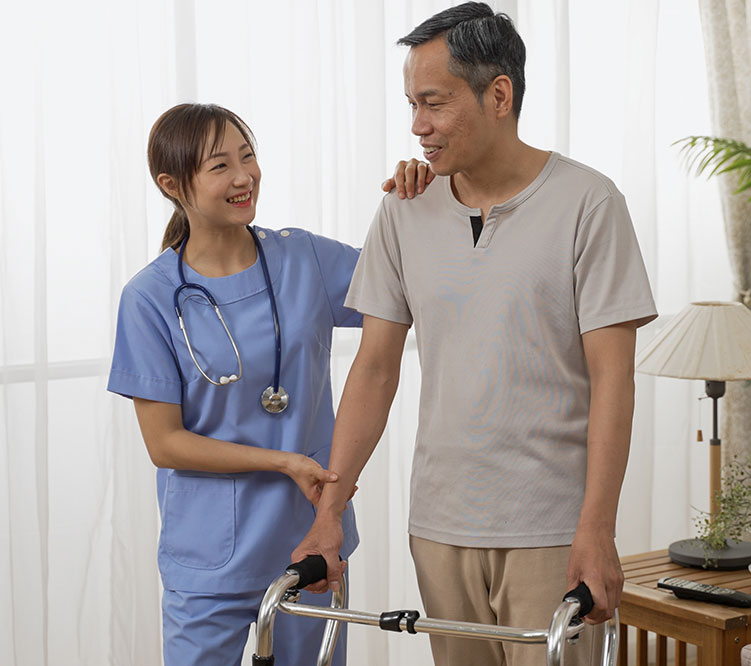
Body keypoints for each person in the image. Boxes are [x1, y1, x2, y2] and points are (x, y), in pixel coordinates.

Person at [292, 4, 658, 665]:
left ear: (499, 94)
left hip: (551, 531)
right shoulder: (404, 211)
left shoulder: (589, 204)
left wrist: (597, 530)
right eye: (411, 104)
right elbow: (375, 368)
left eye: (433, 102)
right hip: (438, 527)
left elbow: (613, 378)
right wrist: (330, 511)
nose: (417, 126)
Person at [107, 102, 430, 666]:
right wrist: (281, 461)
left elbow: (412, 282)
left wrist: (422, 202)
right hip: (210, 565)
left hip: (309, 548)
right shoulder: (150, 298)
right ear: (171, 184)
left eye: (248, 156)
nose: (243, 176)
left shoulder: (303, 258)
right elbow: (165, 443)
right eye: (218, 166)